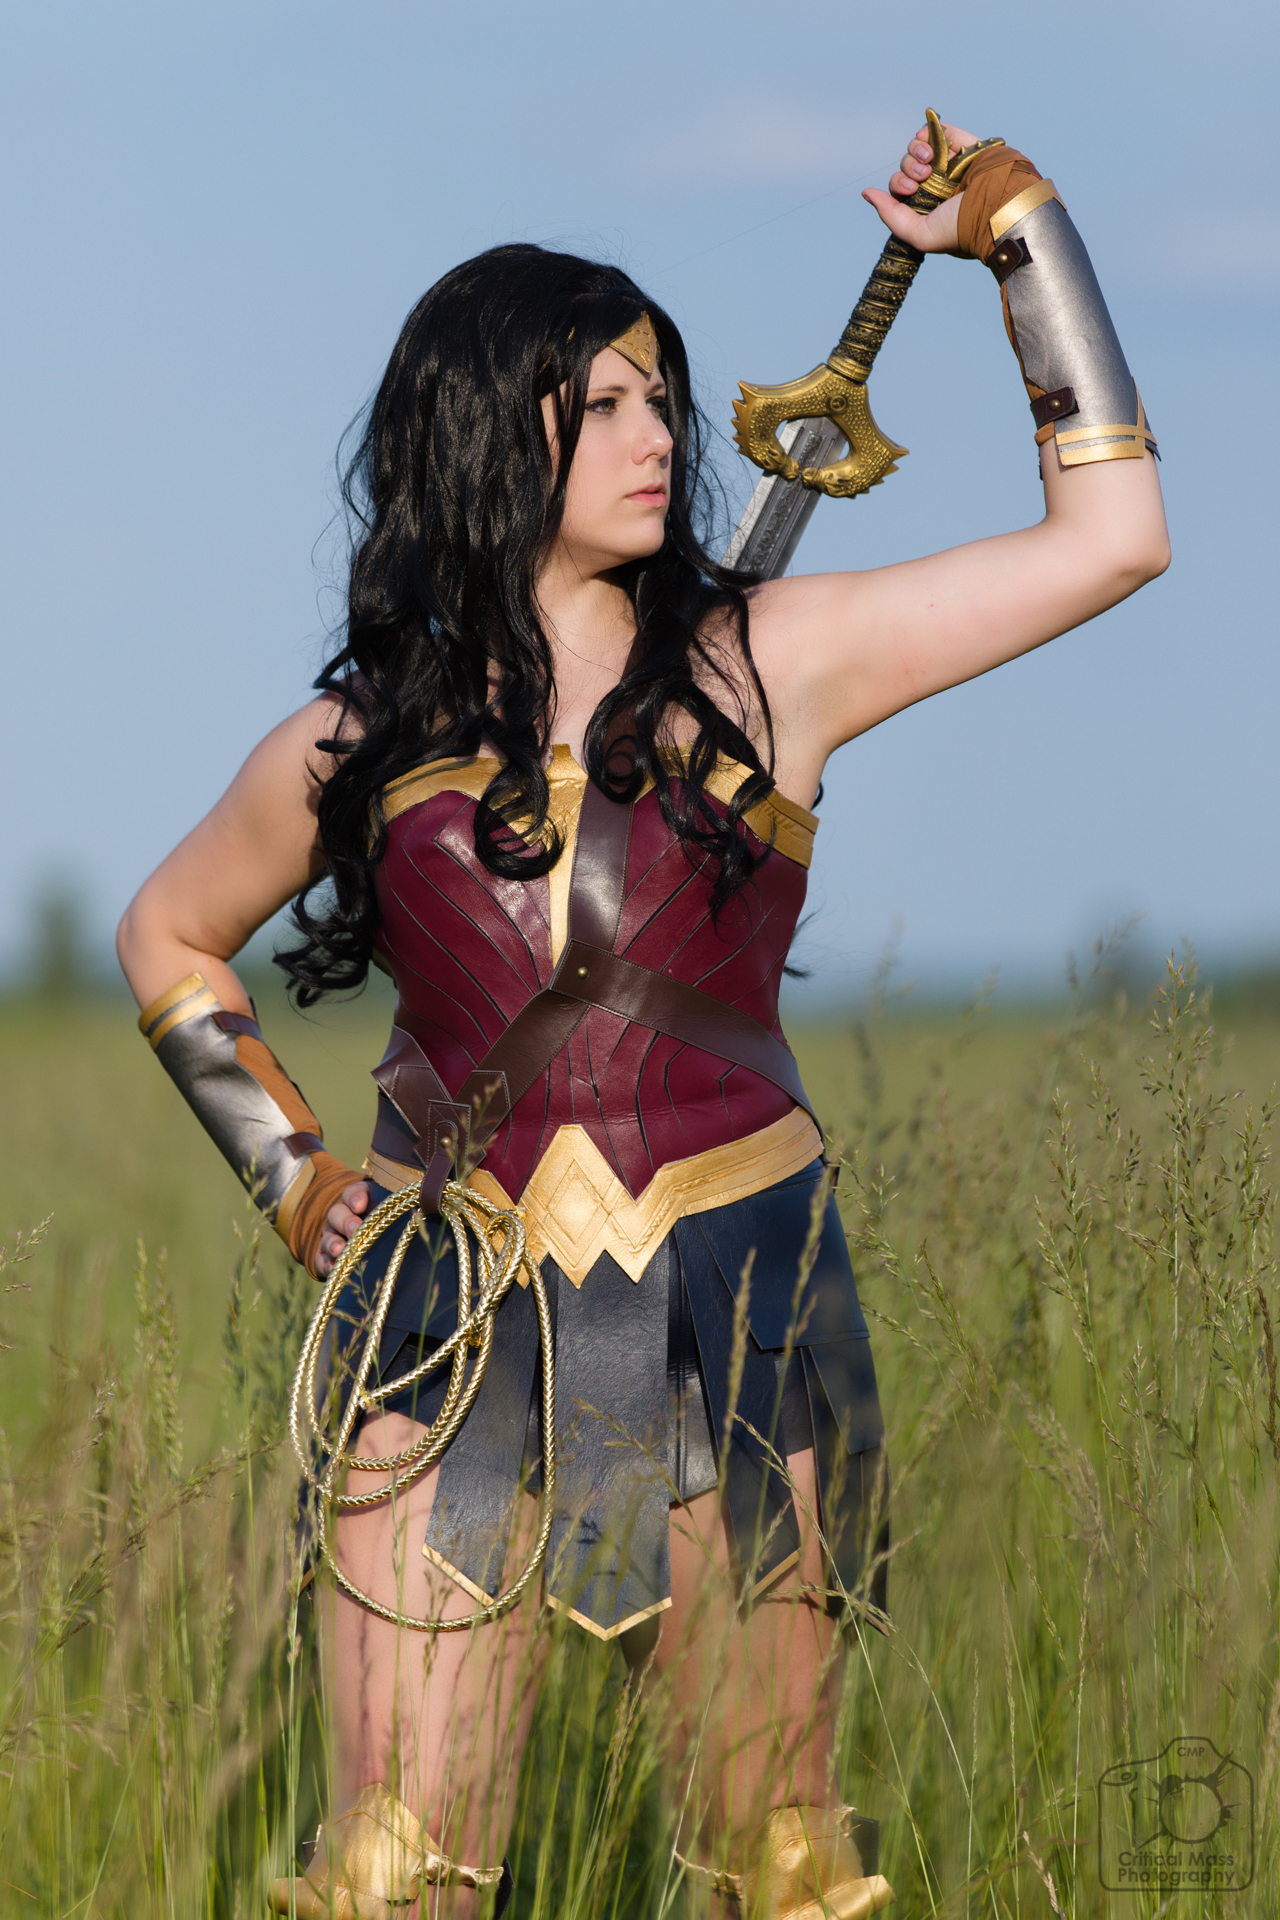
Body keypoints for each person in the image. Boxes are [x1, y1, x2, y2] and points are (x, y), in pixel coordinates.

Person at [117, 118, 1168, 1920]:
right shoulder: (356, 741)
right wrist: (298, 1187)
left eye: (660, 397)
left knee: (782, 1870)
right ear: (480, 430)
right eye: (598, 403)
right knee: (387, 1876)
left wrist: (1020, 232)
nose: (656, 434)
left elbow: (1116, 536)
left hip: (736, 1311)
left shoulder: (779, 661)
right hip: (445, 1329)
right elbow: (169, 936)